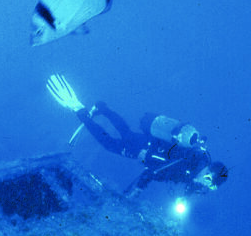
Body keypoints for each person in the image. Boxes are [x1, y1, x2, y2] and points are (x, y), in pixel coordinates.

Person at [47, 75, 228, 196]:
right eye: (209, 185)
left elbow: (160, 169)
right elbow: (156, 170)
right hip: (144, 150)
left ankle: (103, 109)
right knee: (109, 144)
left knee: (125, 132)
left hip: (149, 143)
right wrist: (138, 187)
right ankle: (80, 110)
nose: (205, 188)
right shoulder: (192, 162)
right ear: (209, 176)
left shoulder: (195, 163)